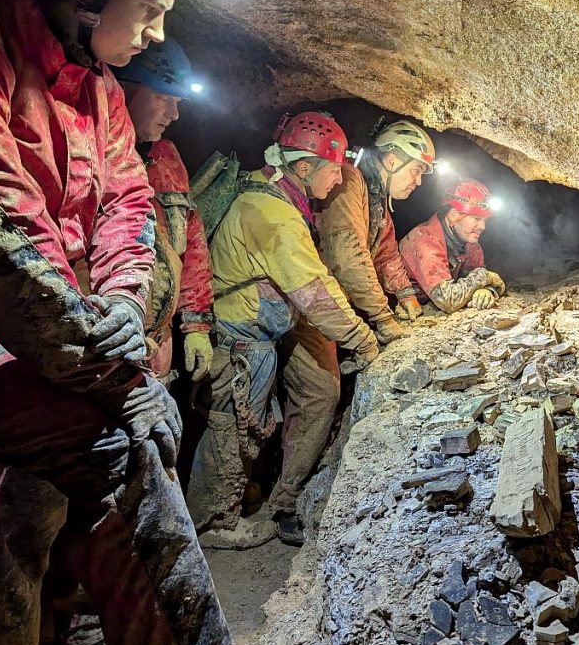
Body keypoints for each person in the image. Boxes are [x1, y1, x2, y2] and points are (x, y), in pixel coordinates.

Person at [0, 0, 243, 645]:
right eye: (148, 12)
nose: (152, 35)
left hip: (59, 339)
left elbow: (126, 203)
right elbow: (2, 243)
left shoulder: (101, 89)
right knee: (121, 457)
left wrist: (118, 302)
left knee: (27, 521)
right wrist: (116, 376)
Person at [188, 111, 379, 549]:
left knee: (318, 392)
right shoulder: (274, 213)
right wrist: (363, 339)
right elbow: (314, 291)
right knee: (233, 425)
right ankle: (215, 521)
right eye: (334, 171)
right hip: (242, 333)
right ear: (305, 167)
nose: (338, 183)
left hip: (270, 325)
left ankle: (280, 500)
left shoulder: (277, 193)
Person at [114, 37, 214, 382]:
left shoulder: (166, 158)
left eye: (178, 102)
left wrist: (197, 323)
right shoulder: (91, 154)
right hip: (106, 346)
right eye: (163, 98)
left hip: (160, 339)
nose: (174, 114)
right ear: (124, 90)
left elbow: (192, 243)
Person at [317, 120, 435, 344]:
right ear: (392, 161)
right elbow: (348, 256)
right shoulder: (349, 182)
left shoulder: (376, 195)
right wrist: (381, 315)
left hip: (335, 300)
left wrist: (405, 293)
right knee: (322, 378)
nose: (418, 182)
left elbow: (386, 250)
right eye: (416, 171)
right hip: (316, 301)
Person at [399, 178, 506, 312]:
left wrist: (485, 291)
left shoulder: (468, 243)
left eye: (485, 220)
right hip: (403, 311)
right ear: (454, 216)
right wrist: (484, 276)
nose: (483, 226)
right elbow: (448, 300)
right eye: (477, 219)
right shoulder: (426, 241)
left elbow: (474, 277)